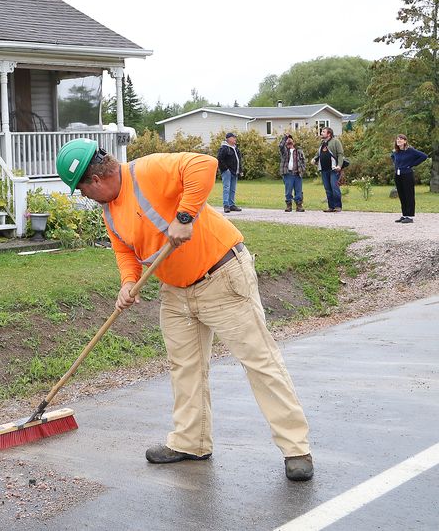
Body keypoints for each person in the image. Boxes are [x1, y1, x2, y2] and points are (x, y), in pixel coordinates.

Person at [55, 140, 314, 482]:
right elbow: (124, 249)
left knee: (260, 361)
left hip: (220, 276)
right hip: (176, 291)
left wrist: (184, 216)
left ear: (96, 181)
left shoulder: (146, 170)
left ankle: (296, 449)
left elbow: (204, 166)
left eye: (83, 191)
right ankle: (191, 442)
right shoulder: (110, 210)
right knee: (184, 367)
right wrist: (128, 282)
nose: (86, 198)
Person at [391, 135, 428, 224]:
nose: (398, 140)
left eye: (401, 139)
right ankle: (404, 215)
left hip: (407, 175)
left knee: (409, 195)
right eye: (398, 139)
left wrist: (411, 164)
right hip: (398, 175)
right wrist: (397, 166)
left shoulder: (410, 151)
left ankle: (410, 216)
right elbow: (393, 157)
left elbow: (424, 156)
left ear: (405, 141)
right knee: (402, 195)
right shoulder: (396, 152)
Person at [313, 127, 343, 212]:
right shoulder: (322, 143)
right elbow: (318, 154)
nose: (321, 133)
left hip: (333, 169)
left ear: (329, 134)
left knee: (334, 187)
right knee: (327, 189)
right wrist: (314, 159)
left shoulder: (335, 141)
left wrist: (339, 166)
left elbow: (340, 154)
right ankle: (331, 207)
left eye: (323, 131)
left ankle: (338, 206)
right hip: (323, 169)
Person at [216, 132, 244, 213]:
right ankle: (226, 205)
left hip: (235, 171)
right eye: (233, 137)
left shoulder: (235, 148)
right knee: (226, 188)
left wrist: (240, 170)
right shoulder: (224, 148)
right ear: (228, 139)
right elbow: (220, 159)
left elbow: (239, 161)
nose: (235, 139)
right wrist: (225, 169)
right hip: (227, 171)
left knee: (232, 189)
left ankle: (232, 205)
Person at [279, 133, 305, 212]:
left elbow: (303, 161)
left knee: (299, 191)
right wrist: (285, 137)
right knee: (288, 191)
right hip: (288, 173)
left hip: (297, 173)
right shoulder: (285, 151)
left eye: (290, 139)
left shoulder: (299, 151)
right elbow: (281, 146)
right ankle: (289, 205)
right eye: (287, 139)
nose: (289, 140)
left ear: (293, 141)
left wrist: (303, 169)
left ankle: (299, 205)